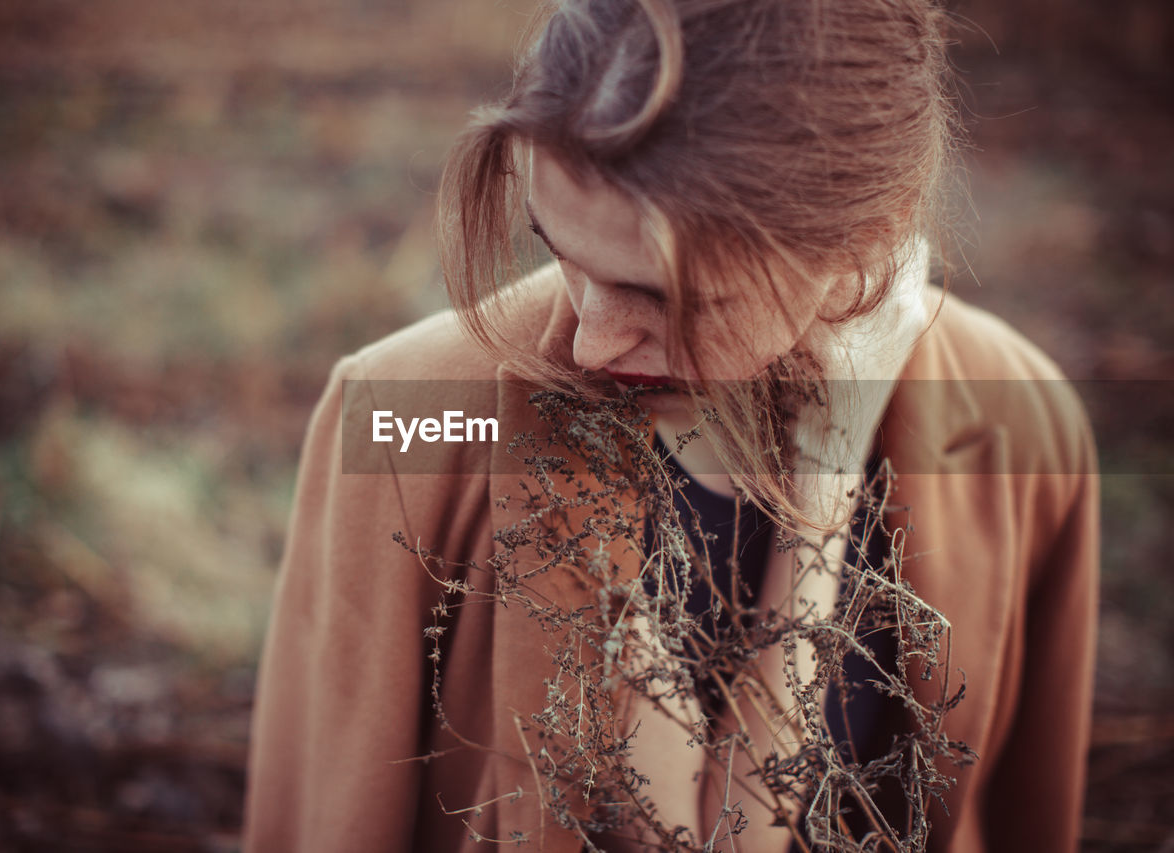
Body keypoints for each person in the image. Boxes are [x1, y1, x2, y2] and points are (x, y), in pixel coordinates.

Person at [243, 0, 1099, 850]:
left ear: (857, 238)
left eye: (661, 294)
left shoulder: (1021, 424)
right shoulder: (398, 421)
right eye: (560, 250)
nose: (589, 337)